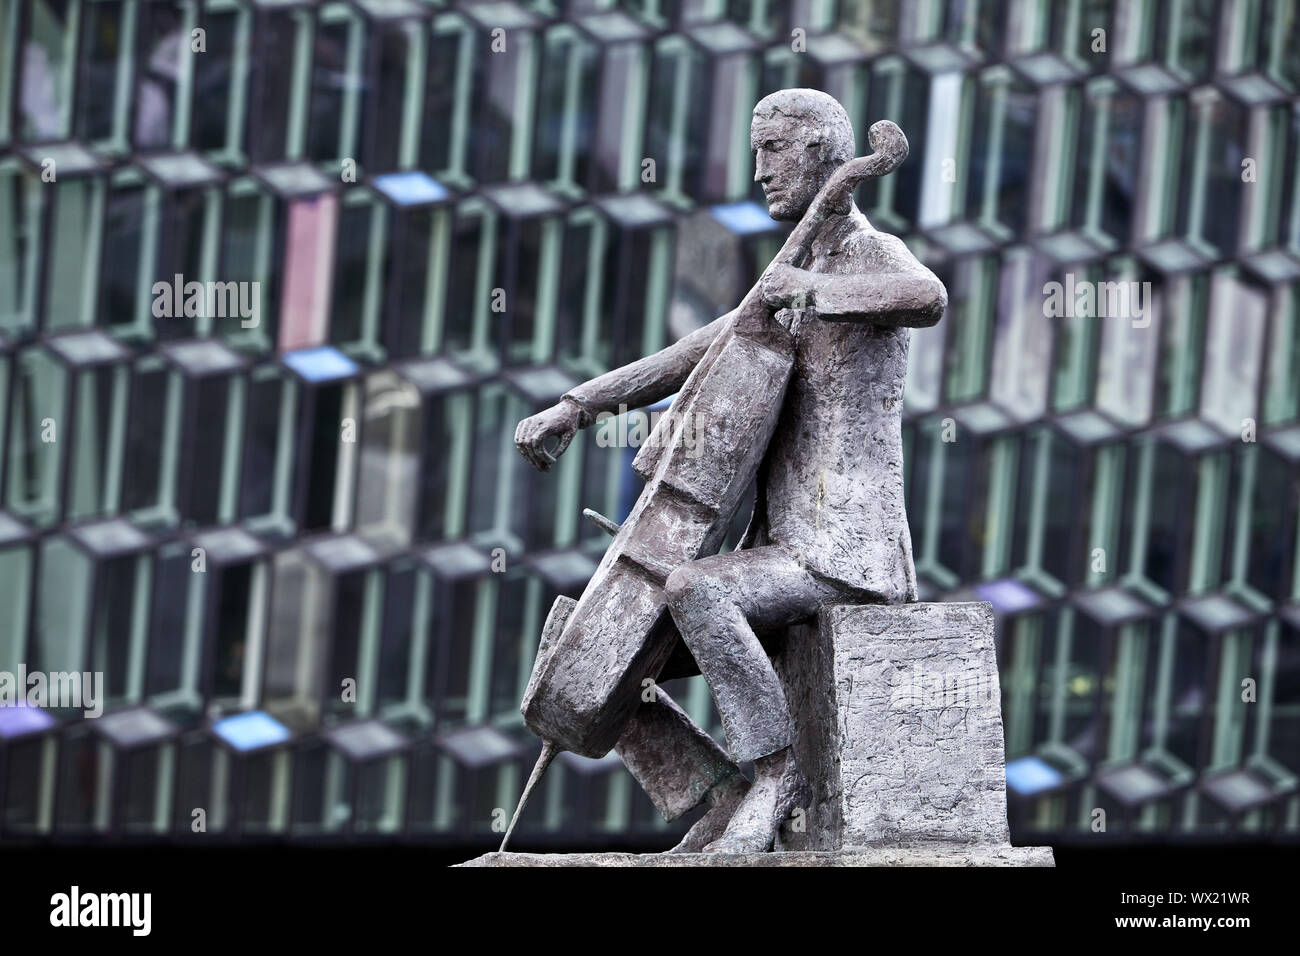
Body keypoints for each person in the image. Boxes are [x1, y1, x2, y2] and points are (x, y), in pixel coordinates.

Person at [514, 89, 946, 853]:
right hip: (782, 548)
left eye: (772, 150)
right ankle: (719, 795)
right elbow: (688, 356)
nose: (759, 171)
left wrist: (812, 292)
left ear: (821, 151)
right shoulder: (785, 274)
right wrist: (576, 407)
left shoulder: (861, 255)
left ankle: (779, 776)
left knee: (693, 587)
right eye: (754, 152)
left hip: (844, 552)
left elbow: (927, 297)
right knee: (588, 646)